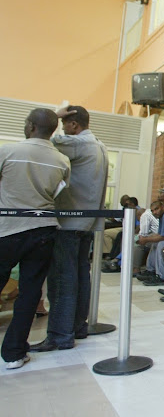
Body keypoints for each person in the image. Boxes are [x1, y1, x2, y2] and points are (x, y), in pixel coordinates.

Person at [31, 105, 108, 352]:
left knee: (62, 279)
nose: (64, 128)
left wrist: (57, 114)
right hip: (87, 221)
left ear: (74, 125)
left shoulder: (78, 143)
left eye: (66, 124)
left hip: (70, 221)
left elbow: (42, 138)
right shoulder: (100, 144)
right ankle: (77, 327)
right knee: (79, 276)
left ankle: (60, 335)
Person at [0, 109, 70, 369]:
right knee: (29, 293)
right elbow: (59, 192)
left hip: (7, 228)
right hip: (43, 230)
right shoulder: (62, 160)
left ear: (29, 126)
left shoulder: (7, 152)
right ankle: (15, 353)